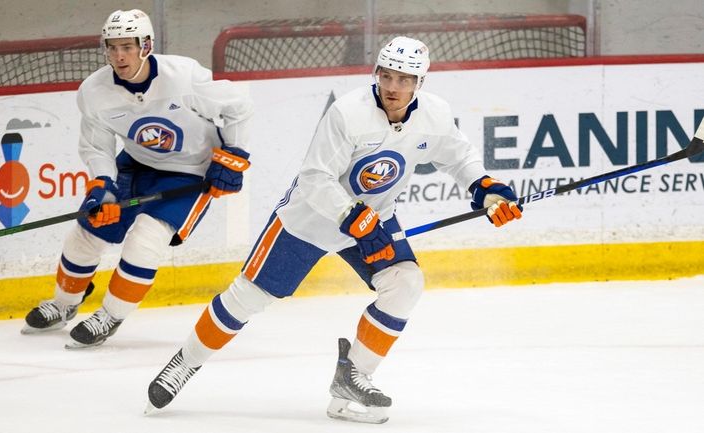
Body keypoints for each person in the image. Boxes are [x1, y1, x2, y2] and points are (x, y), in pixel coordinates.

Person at [144, 36, 522, 423]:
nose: (393, 87)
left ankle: (353, 378)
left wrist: (486, 189)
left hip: (374, 219)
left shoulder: (435, 115)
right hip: (310, 221)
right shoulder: (348, 113)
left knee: (405, 283)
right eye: (387, 75)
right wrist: (353, 217)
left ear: (420, 83)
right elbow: (314, 179)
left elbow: (459, 157)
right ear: (376, 73)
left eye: (405, 79)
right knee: (247, 298)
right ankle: (184, 363)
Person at [20, 9, 254, 349]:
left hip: (189, 172)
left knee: (146, 238)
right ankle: (64, 304)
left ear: (146, 46)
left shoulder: (183, 77)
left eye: (127, 47)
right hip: (136, 164)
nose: (119, 56)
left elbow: (239, 107)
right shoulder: (95, 91)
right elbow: (97, 145)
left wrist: (234, 156)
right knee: (89, 229)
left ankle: (110, 316)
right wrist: (103, 184)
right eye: (112, 47)